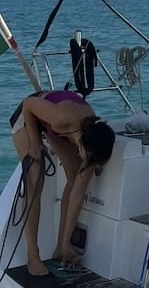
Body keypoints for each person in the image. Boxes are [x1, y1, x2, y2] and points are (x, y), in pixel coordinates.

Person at [9, 89, 116, 276]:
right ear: (82, 145)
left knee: (76, 176)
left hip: (54, 128)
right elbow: (29, 105)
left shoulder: (93, 143)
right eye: (89, 160)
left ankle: (61, 247)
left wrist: (67, 243)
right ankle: (32, 256)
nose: (88, 164)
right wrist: (35, 142)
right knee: (35, 177)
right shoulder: (62, 117)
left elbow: (77, 193)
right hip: (30, 113)